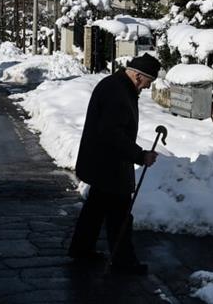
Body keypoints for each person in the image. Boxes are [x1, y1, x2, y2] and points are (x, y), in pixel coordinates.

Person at [67, 53, 161, 276]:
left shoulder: (117, 85)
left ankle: (81, 250)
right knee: (119, 214)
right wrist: (140, 156)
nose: (147, 88)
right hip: (109, 165)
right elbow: (113, 134)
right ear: (138, 76)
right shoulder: (118, 92)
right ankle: (123, 261)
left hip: (103, 162)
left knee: (95, 209)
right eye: (148, 82)